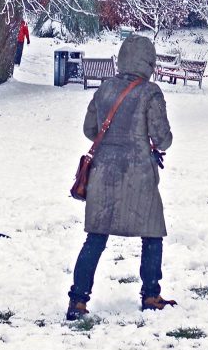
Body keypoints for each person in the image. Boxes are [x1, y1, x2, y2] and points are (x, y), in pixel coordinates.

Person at [65, 34, 174, 319]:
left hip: (103, 174)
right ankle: (151, 294)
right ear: (148, 61)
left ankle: (78, 300)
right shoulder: (151, 93)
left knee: (95, 238)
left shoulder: (105, 90)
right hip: (139, 176)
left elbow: (91, 130)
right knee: (152, 234)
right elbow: (162, 139)